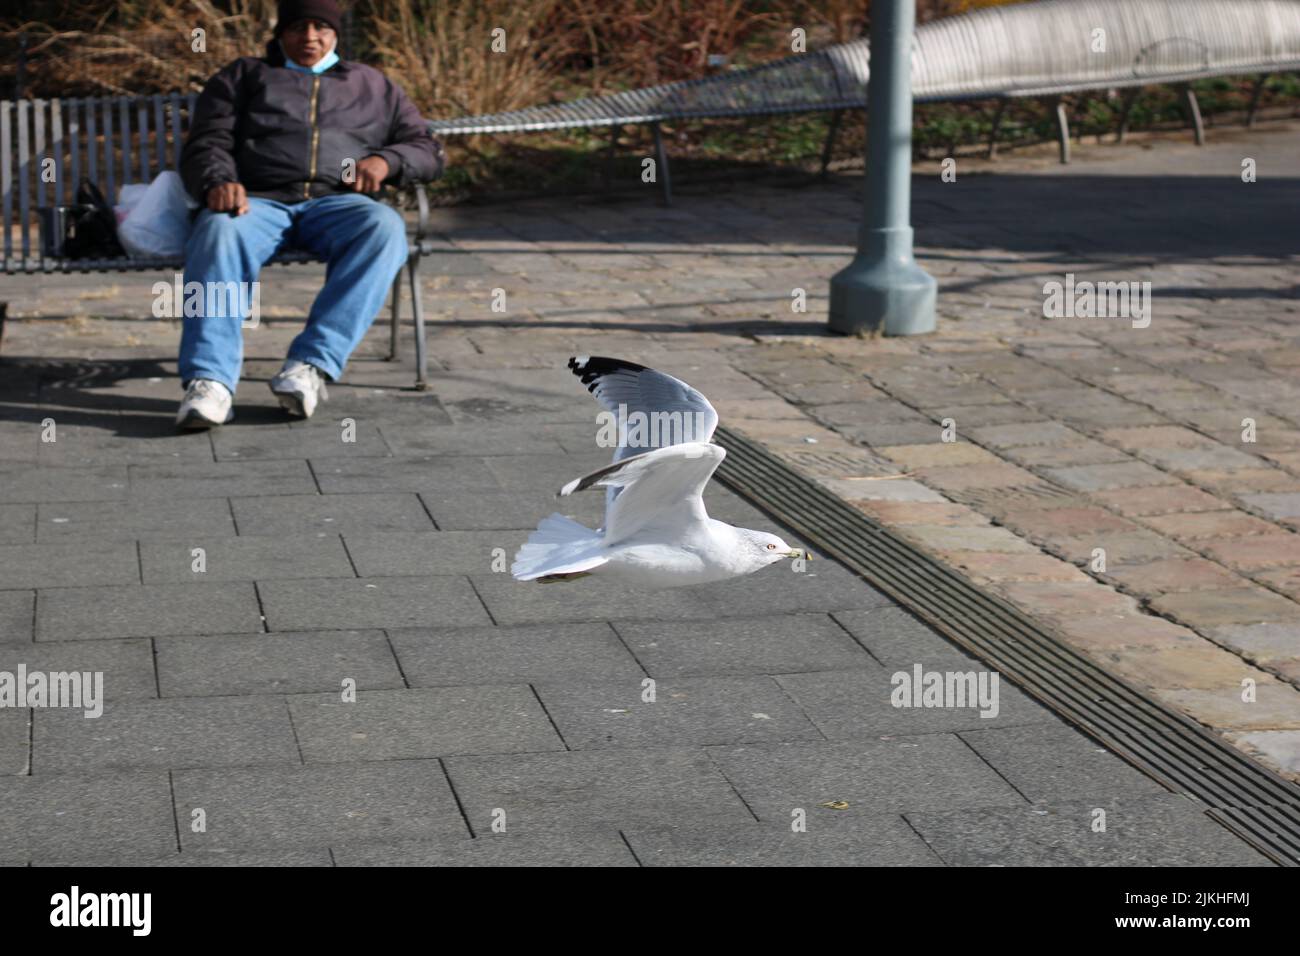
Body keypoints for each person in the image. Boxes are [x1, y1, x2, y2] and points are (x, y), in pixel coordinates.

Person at [175, 0, 444, 428]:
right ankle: (210, 381)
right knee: (218, 232)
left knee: (383, 227)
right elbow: (207, 142)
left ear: (337, 33)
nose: (310, 38)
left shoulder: (372, 86)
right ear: (281, 32)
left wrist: (387, 162)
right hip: (257, 202)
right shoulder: (244, 77)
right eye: (299, 27)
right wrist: (217, 180)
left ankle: (309, 366)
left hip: (336, 203)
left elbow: (426, 148)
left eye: (321, 27)